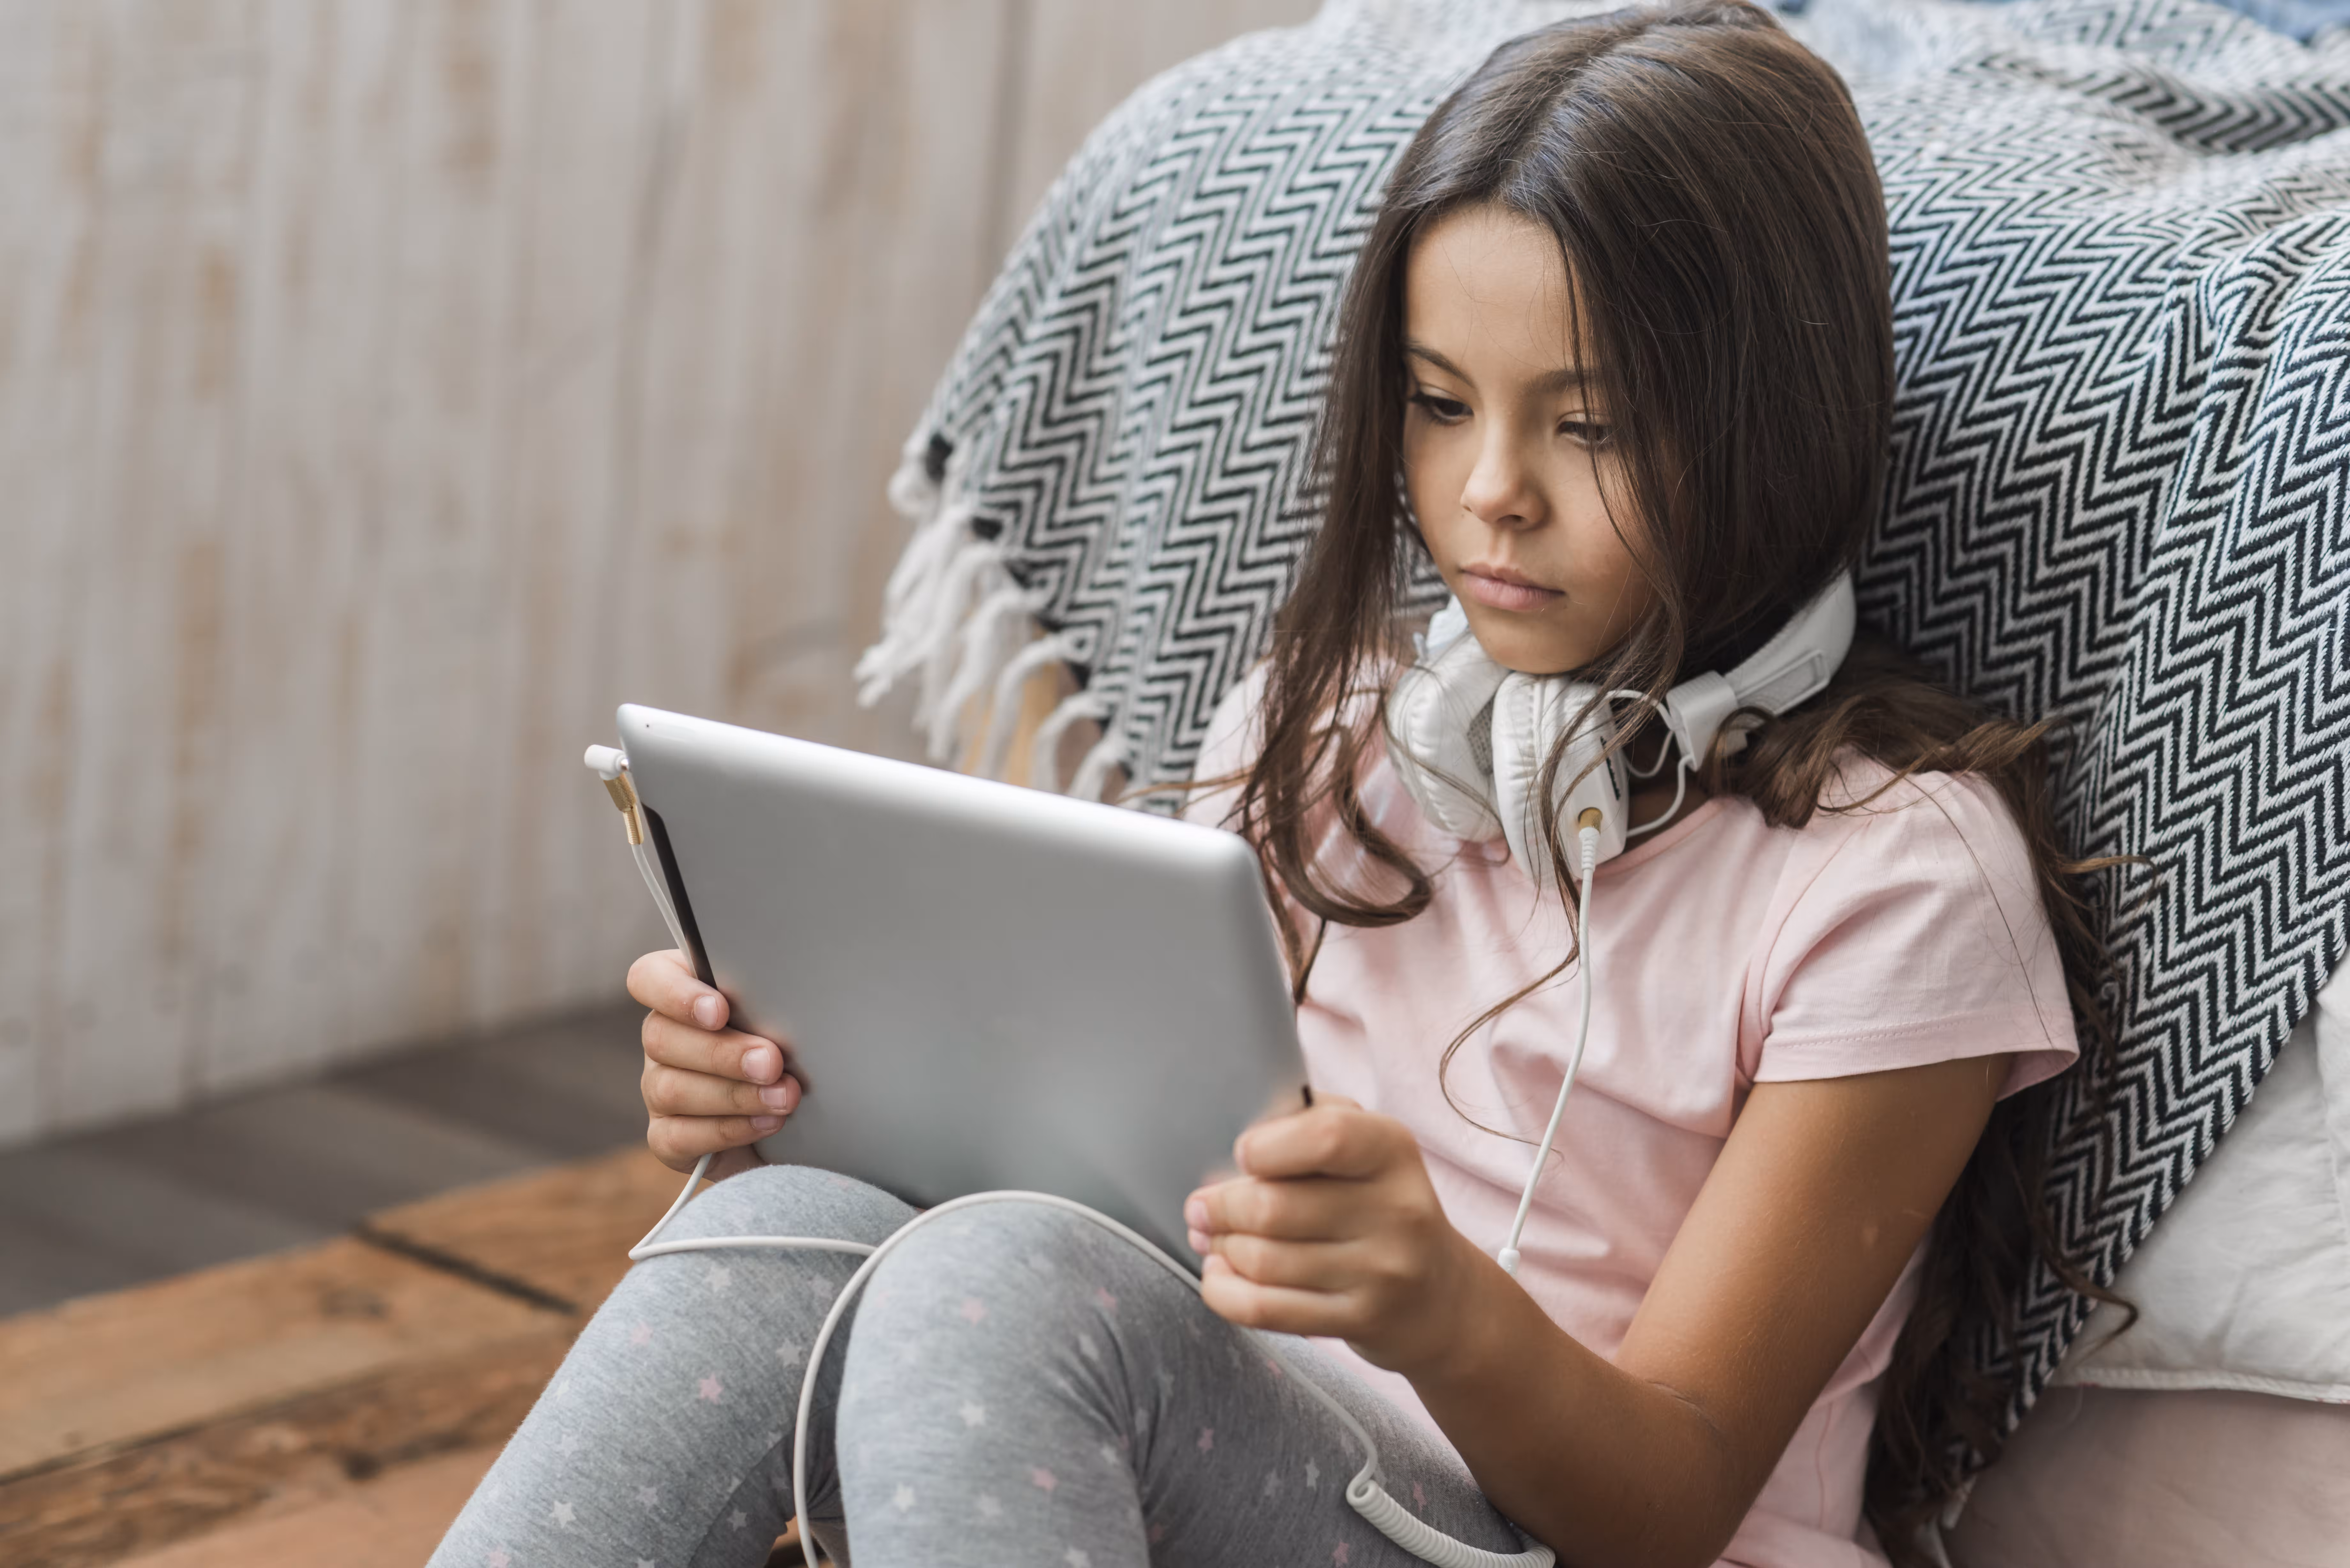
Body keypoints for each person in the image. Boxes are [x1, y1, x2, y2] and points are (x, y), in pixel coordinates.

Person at [429, 5, 2116, 1565]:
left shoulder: (1897, 882)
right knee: (806, 1212)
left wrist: (1442, 1311)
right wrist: (793, 1090)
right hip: (1236, 1460)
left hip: (1555, 1528)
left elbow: (1671, 1505)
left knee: (1001, 1286)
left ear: (1781, 423)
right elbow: (1108, 1172)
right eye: (1442, 408)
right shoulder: (1332, 735)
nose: (1489, 496)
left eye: (1586, 428)